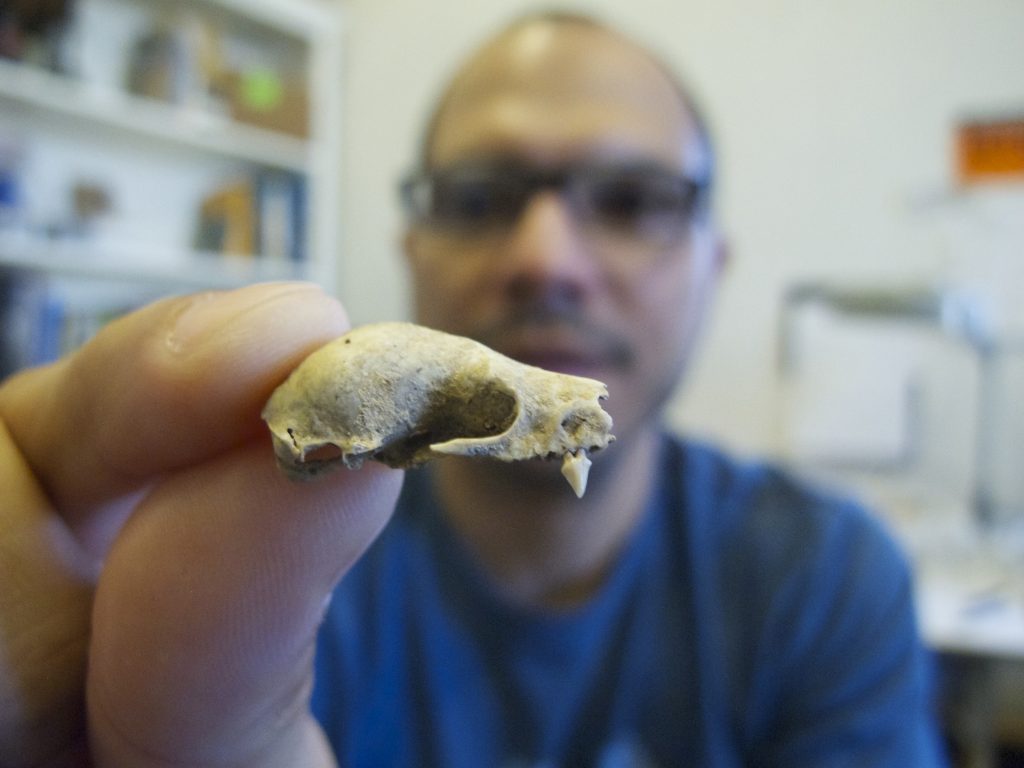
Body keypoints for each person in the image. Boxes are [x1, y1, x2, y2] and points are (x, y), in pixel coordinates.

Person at [0, 11, 947, 768]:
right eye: (482, 198)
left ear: (715, 264)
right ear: (413, 249)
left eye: (631, 200)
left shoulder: (826, 583)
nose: (546, 257)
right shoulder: (240, 573)